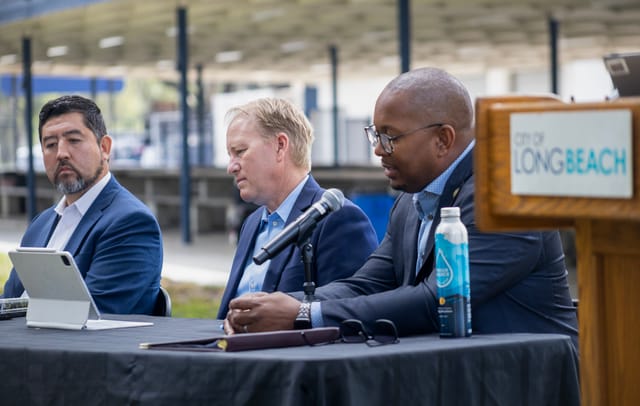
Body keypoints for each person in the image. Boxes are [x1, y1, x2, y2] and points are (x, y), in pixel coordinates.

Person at [224, 68, 579, 348]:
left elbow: (437, 299)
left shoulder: (503, 196)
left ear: (443, 139)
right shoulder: (410, 202)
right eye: (374, 135)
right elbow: (367, 284)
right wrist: (270, 308)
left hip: (526, 382)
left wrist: (302, 313)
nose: (378, 150)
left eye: (389, 137)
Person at [217, 97, 378, 319]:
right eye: (230, 155)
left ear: (280, 146)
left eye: (240, 151)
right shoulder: (252, 223)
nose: (231, 167)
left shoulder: (338, 218)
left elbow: (353, 309)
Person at [1, 95, 163, 314]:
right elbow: (8, 303)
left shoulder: (131, 223)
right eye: (50, 144)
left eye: (74, 140)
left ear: (104, 147)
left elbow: (91, 316)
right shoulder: (41, 223)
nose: (61, 153)